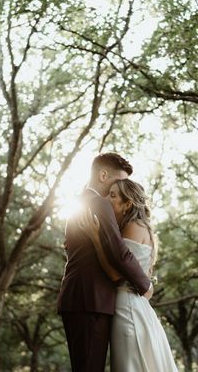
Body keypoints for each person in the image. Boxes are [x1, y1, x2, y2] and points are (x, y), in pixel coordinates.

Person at [56, 153, 153, 372]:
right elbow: (119, 251)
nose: (121, 186)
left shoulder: (81, 202)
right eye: (118, 181)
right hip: (90, 299)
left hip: (82, 298)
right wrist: (145, 285)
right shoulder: (98, 202)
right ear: (103, 175)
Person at [79, 178, 179, 371]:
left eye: (113, 195)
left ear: (127, 204)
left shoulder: (132, 226)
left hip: (128, 309)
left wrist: (95, 239)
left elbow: (117, 276)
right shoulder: (138, 226)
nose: (106, 199)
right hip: (133, 305)